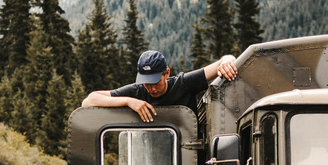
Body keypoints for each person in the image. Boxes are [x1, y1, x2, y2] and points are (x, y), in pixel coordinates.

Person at [80, 48, 240, 121]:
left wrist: (228, 59)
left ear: (167, 73)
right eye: (146, 84)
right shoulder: (136, 92)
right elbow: (89, 101)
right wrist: (128, 101)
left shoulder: (183, 84)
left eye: (155, 82)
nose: (151, 89)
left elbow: (224, 61)